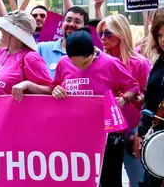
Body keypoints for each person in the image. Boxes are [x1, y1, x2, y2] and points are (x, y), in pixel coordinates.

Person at [51, 28, 140, 187]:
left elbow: (133, 87)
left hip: (108, 135)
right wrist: (56, 90)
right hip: (76, 133)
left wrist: (124, 99)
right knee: (79, 179)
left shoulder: (110, 63)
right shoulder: (63, 63)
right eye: (75, 64)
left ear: (93, 51)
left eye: (85, 63)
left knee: (109, 180)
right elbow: (55, 86)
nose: (81, 68)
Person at [97, 14, 151, 186]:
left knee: (138, 181)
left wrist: (133, 96)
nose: (103, 38)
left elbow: (149, 101)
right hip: (106, 132)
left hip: (133, 131)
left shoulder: (140, 63)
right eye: (101, 34)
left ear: (121, 34)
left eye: (108, 34)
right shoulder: (99, 63)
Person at [0, 10, 53, 100]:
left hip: (14, 113)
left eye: (4, 27)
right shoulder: (0, 52)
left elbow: (51, 90)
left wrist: (29, 85)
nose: (1, 29)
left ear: (13, 33)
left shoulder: (30, 57)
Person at [134, 11, 164, 187]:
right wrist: (141, 132)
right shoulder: (159, 61)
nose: (162, 40)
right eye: (159, 35)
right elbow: (150, 101)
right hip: (155, 141)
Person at [38, 6, 89, 79]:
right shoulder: (41, 49)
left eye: (77, 22)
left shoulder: (93, 55)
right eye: (68, 20)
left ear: (85, 28)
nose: (71, 24)